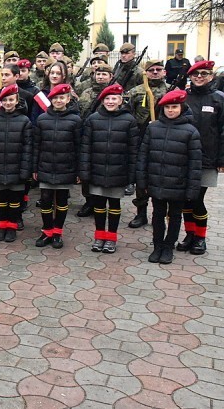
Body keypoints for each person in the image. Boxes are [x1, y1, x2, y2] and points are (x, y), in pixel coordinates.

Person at [137, 89, 202, 264]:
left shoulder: (190, 132)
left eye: (174, 107)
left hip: (178, 184)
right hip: (156, 181)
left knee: (175, 216)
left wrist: (192, 189)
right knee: (157, 215)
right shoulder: (153, 127)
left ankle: (168, 246)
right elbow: (143, 155)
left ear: (181, 108)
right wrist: (141, 181)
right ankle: (157, 245)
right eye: (167, 107)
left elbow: (195, 164)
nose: (171, 110)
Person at [79, 84, 139, 254]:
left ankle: (111, 237)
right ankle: (99, 236)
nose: (111, 101)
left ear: (121, 100)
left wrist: (132, 176)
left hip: (118, 171)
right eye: (107, 99)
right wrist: (85, 171)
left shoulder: (129, 120)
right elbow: (86, 147)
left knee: (114, 205)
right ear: (102, 100)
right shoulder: (93, 119)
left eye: (114, 98)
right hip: (97, 170)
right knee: (98, 205)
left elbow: (133, 150)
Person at [180, 60, 224, 255]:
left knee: (197, 198)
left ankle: (200, 237)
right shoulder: (183, 98)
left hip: (207, 158)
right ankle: (190, 234)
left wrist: (222, 159)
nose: (199, 77)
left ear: (211, 76)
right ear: (190, 77)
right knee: (186, 200)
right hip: (183, 158)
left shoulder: (218, 99)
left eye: (204, 73)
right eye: (196, 74)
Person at [32, 84, 82, 249]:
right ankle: (46, 231)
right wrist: (34, 168)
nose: (58, 100)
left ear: (68, 99)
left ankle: (57, 232)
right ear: (50, 99)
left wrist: (78, 171)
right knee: (45, 200)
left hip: (65, 167)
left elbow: (79, 147)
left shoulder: (75, 120)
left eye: (62, 97)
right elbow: (36, 145)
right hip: (45, 166)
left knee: (61, 201)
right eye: (55, 98)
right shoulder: (42, 119)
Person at [0, 84, 32, 243]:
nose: (8, 103)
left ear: (17, 101)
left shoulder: (25, 121)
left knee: (15, 201)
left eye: (11, 100)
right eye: (5, 100)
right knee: (2, 200)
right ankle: (2, 225)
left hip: (16, 169)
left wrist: (25, 171)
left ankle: (12, 227)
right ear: (0, 102)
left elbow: (27, 148)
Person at [125, 59, 169, 229]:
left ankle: (159, 214)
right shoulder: (136, 92)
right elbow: (128, 116)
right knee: (141, 178)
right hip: (141, 140)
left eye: (159, 69)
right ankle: (140, 214)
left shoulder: (171, 91)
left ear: (164, 72)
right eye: (152, 70)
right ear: (146, 72)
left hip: (165, 141)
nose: (155, 72)